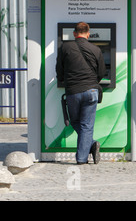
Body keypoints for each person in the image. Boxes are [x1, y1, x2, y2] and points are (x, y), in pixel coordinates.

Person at [56, 22, 106, 165]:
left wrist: (63, 80)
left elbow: (59, 69)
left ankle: (84, 155)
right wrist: (91, 82)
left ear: (74, 33)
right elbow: (102, 72)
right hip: (91, 91)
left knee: (75, 122)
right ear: (88, 34)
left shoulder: (65, 47)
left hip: (73, 91)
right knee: (86, 125)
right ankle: (89, 147)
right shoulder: (95, 49)